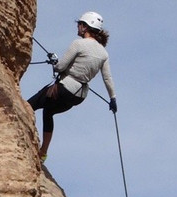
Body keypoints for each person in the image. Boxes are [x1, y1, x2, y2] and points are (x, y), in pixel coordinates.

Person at [27, 11, 117, 161]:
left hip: (65, 88)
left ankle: (19, 131)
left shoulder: (79, 44)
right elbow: (107, 78)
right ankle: (43, 152)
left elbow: (61, 66)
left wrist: (55, 64)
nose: (77, 27)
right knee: (48, 111)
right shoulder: (103, 53)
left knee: (30, 104)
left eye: (79, 24)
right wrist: (112, 99)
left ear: (85, 27)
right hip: (78, 96)